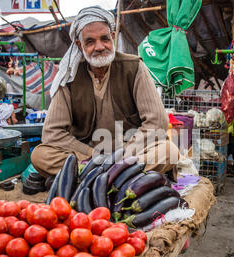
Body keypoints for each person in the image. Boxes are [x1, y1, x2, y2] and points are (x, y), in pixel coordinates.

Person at [31, 6, 182, 181]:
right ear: (80, 45)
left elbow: (157, 122)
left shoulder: (133, 67)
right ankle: (114, 178)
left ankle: (94, 178)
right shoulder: (69, 76)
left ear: (113, 37)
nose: (100, 46)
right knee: (40, 155)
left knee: (169, 151)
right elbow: (52, 134)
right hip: (87, 156)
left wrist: (122, 155)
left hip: (129, 153)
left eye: (104, 38)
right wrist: (92, 154)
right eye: (90, 41)